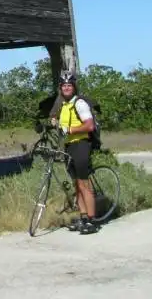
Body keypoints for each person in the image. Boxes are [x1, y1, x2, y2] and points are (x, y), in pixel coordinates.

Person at [51, 71, 98, 235]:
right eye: (64, 86)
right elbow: (61, 123)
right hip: (69, 146)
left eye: (69, 85)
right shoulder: (64, 106)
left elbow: (89, 125)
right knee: (76, 185)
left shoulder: (79, 103)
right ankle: (83, 217)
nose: (66, 88)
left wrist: (70, 129)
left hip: (81, 145)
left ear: (74, 87)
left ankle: (92, 221)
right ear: (60, 88)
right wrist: (55, 122)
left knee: (84, 185)